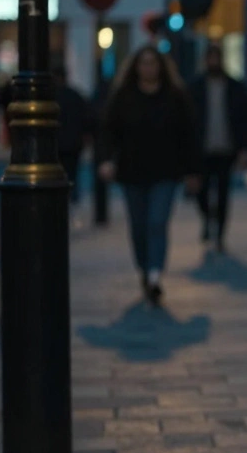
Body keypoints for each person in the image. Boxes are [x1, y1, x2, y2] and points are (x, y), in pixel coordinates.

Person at [97, 45, 202, 306]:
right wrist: (106, 160)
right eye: (143, 63)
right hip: (132, 172)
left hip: (166, 172)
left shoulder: (175, 97)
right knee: (138, 226)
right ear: (136, 67)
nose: (148, 68)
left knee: (157, 222)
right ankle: (145, 269)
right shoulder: (124, 97)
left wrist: (193, 170)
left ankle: (155, 274)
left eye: (153, 63)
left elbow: (189, 134)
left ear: (161, 67)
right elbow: (108, 131)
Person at [189, 44, 247, 252]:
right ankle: (208, 218)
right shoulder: (196, 87)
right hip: (202, 149)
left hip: (227, 149)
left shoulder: (235, 87)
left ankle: (220, 233)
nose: (214, 62)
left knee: (223, 193)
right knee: (201, 192)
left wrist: (244, 148)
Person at [53, 64, 92, 207]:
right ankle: (72, 194)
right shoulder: (75, 96)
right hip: (73, 142)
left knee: (58, 172)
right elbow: (86, 118)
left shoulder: (52, 97)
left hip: (58, 142)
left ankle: (62, 196)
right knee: (72, 171)